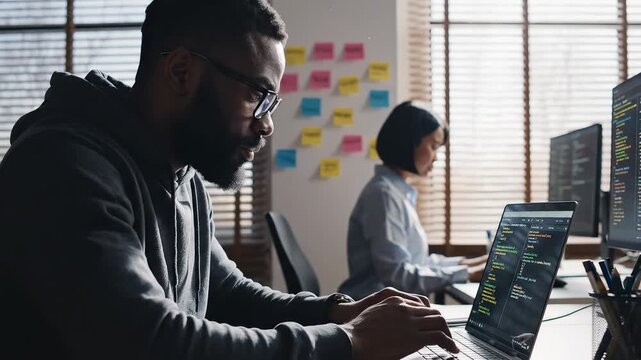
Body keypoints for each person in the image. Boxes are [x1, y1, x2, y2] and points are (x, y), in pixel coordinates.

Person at [0, 1, 460, 359]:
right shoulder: (61, 165)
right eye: (258, 95)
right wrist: (347, 341)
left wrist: (336, 311)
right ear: (181, 71)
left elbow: (225, 293)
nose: (267, 124)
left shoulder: (180, 171)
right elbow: (147, 342)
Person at [339, 101, 487, 301]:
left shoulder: (397, 192)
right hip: (375, 314)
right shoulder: (384, 196)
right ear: (408, 141)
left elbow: (418, 262)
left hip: (390, 309)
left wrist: (470, 264)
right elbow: (398, 276)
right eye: (433, 146)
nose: (435, 158)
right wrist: (468, 273)